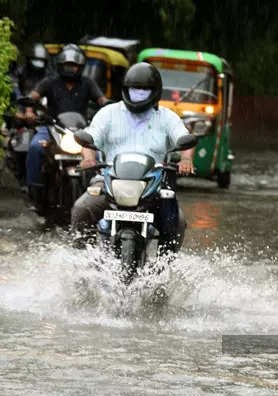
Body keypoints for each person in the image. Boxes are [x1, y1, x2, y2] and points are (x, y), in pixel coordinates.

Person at [71, 62, 195, 253]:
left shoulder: (167, 117)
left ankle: (164, 268)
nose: (139, 93)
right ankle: (84, 259)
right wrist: (88, 158)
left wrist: (186, 159)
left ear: (155, 91)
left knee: (177, 221)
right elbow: (90, 138)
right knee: (81, 209)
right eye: (134, 89)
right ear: (125, 90)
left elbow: (182, 137)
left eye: (144, 89)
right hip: (109, 182)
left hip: (153, 186)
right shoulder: (108, 113)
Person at [24, 44, 107, 211]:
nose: (71, 68)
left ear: (80, 67)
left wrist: (110, 106)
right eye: (67, 65)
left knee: (100, 154)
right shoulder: (50, 81)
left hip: (81, 131)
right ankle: (35, 190)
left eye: (74, 65)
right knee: (35, 148)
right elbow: (34, 95)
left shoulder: (87, 83)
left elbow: (101, 100)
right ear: (60, 65)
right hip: (51, 127)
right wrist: (28, 109)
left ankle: (100, 191)